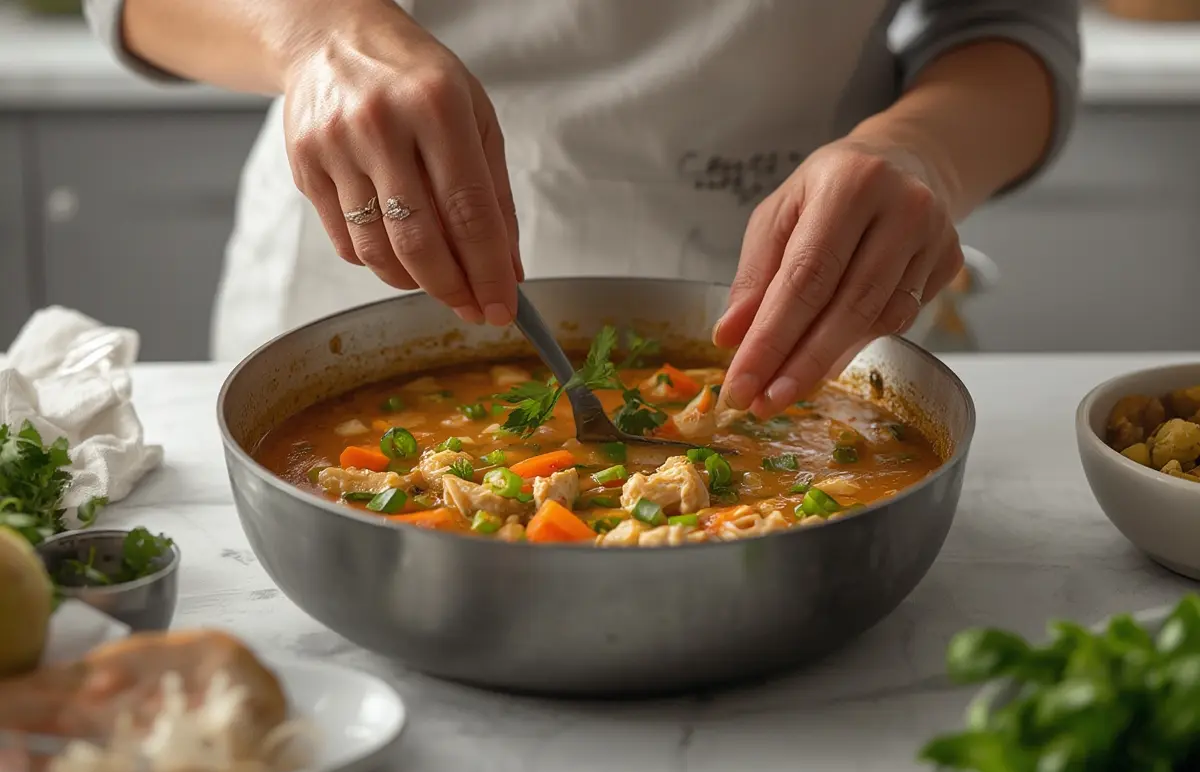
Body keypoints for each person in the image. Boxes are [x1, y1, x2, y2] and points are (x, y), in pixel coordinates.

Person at [85, 0, 1079, 416]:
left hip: (803, 278)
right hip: (358, 246)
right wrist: (313, 34)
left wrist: (920, 150)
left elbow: (1005, 19)